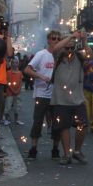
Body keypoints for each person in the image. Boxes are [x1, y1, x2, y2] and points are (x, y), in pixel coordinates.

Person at [49, 32, 90, 165]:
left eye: (72, 48)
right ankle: (67, 154)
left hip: (78, 99)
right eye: (67, 48)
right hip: (61, 99)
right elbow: (55, 48)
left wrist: (84, 40)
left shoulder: (79, 57)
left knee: (82, 125)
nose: (70, 51)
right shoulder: (58, 56)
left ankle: (77, 151)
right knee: (64, 127)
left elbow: (89, 54)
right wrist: (71, 37)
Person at [24, 32, 62, 160]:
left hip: (56, 95)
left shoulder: (61, 56)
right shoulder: (42, 54)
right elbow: (27, 70)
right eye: (53, 38)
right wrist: (41, 76)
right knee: (38, 122)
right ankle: (33, 149)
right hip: (41, 94)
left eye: (58, 39)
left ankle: (55, 149)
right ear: (48, 40)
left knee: (57, 123)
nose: (56, 41)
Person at [4, 58, 23, 126]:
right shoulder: (8, 72)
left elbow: (20, 82)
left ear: (18, 64)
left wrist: (18, 90)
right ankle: (6, 119)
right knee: (8, 106)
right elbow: (7, 82)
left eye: (16, 63)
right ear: (11, 64)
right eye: (13, 63)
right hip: (9, 92)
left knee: (17, 106)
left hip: (17, 92)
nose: (15, 64)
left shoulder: (20, 73)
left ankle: (16, 120)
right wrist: (12, 90)